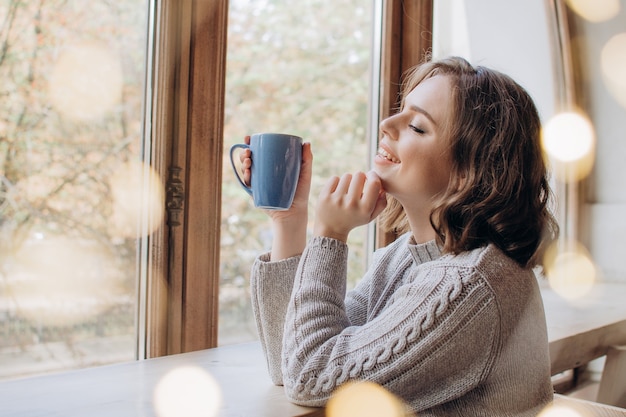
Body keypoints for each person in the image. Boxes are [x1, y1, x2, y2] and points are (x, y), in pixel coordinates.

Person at [240, 56, 559, 416]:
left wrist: (330, 234)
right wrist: (289, 219)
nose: (386, 124)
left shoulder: (470, 287)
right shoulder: (405, 256)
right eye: (400, 110)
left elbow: (309, 376)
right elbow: (293, 361)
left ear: (468, 173)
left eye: (417, 127)